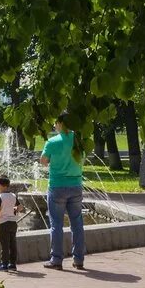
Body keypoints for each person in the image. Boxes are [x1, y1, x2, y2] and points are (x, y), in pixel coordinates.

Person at [40, 111, 85, 270]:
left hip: (57, 186)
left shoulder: (52, 142)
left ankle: (56, 260)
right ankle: (79, 260)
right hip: (76, 185)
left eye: (55, 123)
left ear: (60, 123)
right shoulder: (79, 140)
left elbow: (44, 162)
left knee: (56, 224)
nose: (54, 125)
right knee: (77, 223)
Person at [0, 176, 21, 271]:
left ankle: (4, 265)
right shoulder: (13, 195)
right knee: (13, 244)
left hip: (3, 224)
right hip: (13, 223)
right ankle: (12, 264)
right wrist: (13, 209)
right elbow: (20, 207)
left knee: (5, 245)